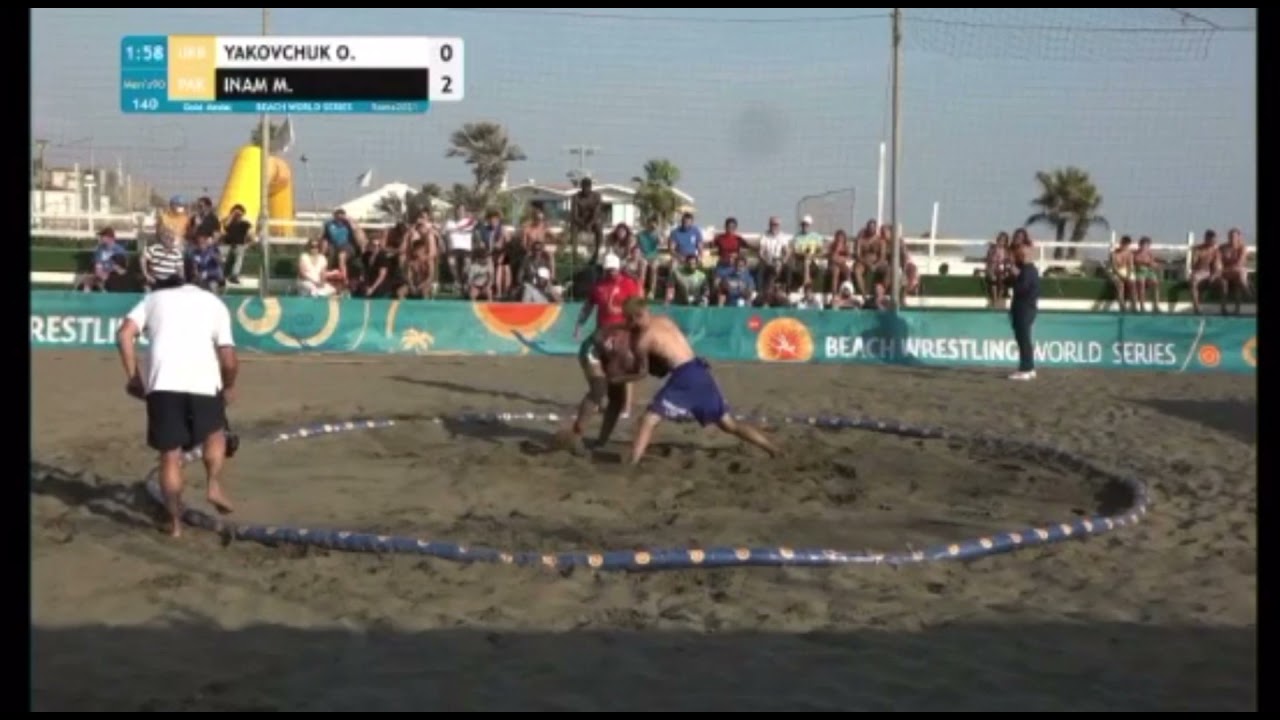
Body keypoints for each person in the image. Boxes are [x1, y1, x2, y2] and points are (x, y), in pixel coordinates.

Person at [115, 268, 239, 538]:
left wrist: (134, 377)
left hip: (163, 381)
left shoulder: (153, 299)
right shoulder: (214, 303)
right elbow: (228, 356)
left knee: (170, 455)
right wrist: (228, 386)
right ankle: (213, 484)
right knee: (215, 434)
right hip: (203, 379)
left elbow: (124, 334)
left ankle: (175, 525)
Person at [611, 297, 779, 465]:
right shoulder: (664, 320)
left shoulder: (641, 341)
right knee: (729, 425)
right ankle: (772, 449)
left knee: (648, 419)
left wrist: (617, 379)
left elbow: (643, 373)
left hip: (685, 376)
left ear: (634, 317)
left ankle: (632, 463)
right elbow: (665, 352)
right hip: (699, 370)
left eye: (631, 318)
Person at [568, 253, 643, 442]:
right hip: (599, 342)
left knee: (616, 397)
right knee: (598, 389)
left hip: (618, 341)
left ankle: (601, 440)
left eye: (614, 269)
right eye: (608, 269)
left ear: (619, 268)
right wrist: (579, 325)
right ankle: (576, 434)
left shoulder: (628, 284)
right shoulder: (599, 287)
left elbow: (639, 309)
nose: (611, 273)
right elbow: (588, 306)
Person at [1008, 240, 1040, 381]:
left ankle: (1025, 369)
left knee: (1023, 339)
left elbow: (1022, 289)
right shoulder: (1030, 270)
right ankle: (1030, 367)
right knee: (1024, 339)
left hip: (1024, 308)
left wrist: (1016, 276)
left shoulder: (1027, 270)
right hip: (1027, 307)